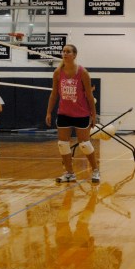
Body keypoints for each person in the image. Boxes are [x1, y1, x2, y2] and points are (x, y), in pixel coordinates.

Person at [45, 44, 99, 183]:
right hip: (64, 113)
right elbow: (54, 94)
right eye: (63, 51)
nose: (65, 53)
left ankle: (95, 170)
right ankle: (69, 173)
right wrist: (49, 112)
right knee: (62, 144)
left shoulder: (82, 72)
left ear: (74, 55)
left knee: (84, 144)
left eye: (68, 51)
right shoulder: (58, 72)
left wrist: (94, 115)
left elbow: (89, 96)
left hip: (81, 113)